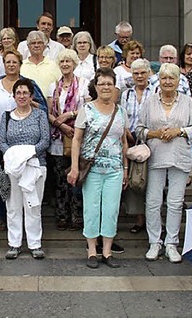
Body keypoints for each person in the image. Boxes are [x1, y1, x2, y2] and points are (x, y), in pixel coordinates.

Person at [135, 63, 192, 263]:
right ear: (159, 80)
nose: (168, 82)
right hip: (155, 156)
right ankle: (155, 242)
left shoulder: (187, 101)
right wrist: (154, 133)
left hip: (179, 156)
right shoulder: (150, 101)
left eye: (172, 78)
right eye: (164, 78)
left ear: (178, 81)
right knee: (153, 201)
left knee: (174, 202)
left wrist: (178, 131)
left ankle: (171, 243)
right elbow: (139, 129)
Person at [0, 50, 47, 231]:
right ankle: (0, 215)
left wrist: (26, 100)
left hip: (26, 141)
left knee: (25, 179)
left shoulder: (28, 84)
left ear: (20, 64)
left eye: (14, 62)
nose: (11, 65)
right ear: (3, 64)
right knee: (2, 177)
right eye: (7, 62)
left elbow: (43, 108)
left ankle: (27, 219)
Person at [67, 67, 128, 269]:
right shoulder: (87, 109)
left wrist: (125, 169)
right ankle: (92, 250)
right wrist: (74, 168)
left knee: (111, 210)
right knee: (92, 209)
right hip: (92, 169)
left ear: (114, 86)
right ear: (95, 86)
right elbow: (76, 140)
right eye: (101, 83)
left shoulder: (121, 111)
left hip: (115, 170)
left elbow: (123, 142)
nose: (105, 87)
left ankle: (107, 251)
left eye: (109, 83)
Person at [0, 78, 50, 260]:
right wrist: (15, 158)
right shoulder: (5, 117)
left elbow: (45, 140)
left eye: (25, 93)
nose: (21, 96)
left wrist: (27, 154)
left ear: (31, 96)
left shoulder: (40, 115)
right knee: (13, 206)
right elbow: (2, 142)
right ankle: (14, 243)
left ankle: (35, 244)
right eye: (18, 93)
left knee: (33, 206)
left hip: (35, 166)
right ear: (13, 96)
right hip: (13, 169)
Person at [46, 49, 90, 231]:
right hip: (58, 138)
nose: (65, 64)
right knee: (60, 180)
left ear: (74, 64)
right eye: (62, 61)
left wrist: (70, 115)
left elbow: (88, 108)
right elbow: (48, 113)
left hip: (78, 136)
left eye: (68, 61)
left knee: (77, 178)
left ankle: (77, 216)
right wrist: (61, 125)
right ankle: (62, 215)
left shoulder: (84, 84)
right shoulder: (52, 86)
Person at [121, 58, 152, 234]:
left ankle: (153, 219)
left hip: (151, 142)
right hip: (131, 142)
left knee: (151, 181)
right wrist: (128, 137)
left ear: (148, 73)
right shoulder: (126, 94)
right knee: (135, 181)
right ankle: (139, 219)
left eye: (142, 72)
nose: (139, 76)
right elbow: (122, 118)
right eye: (136, 73)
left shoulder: (155, 92)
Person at [20, 31, 62, 97]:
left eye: (40, 43)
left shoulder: (54, 65)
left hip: (49, 105)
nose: (36, 45)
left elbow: (60, 85)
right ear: (28, 46)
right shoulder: (21, 66)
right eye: (33, 43)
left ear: (45, 46)